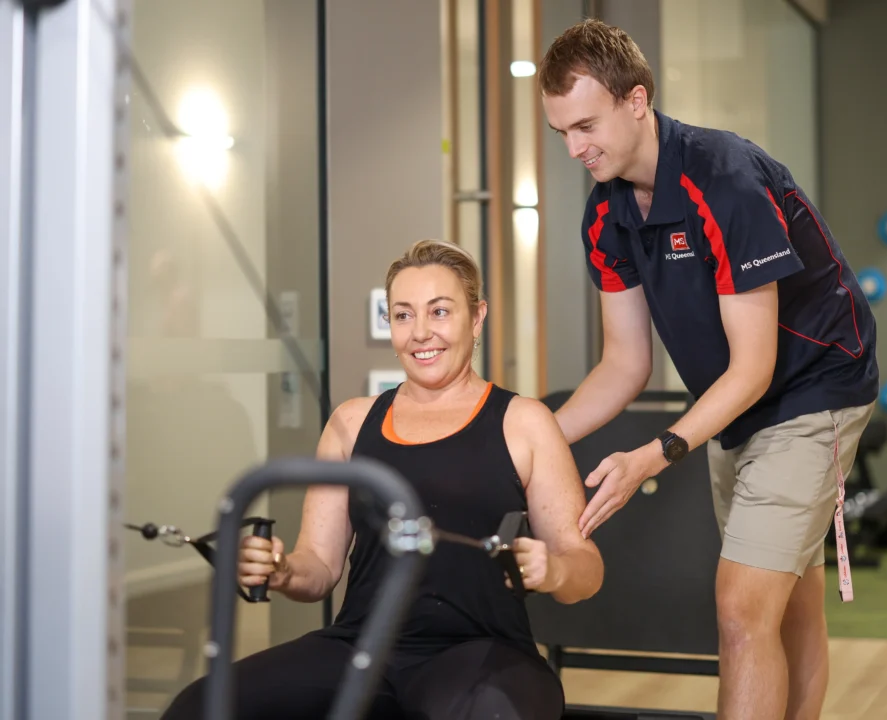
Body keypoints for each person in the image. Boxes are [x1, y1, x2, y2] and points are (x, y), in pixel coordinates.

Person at [538, 19, 878, 720]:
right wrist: (527, 435)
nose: (575, 148)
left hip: (816, 387)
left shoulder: (723, 179)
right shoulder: (604, 216)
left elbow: (754, 367)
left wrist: (654, 454)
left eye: (585, 125)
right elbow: (624, 364)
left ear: (637, 100)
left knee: (738, 608)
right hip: (737, 406)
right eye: (561, 133)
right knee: (786, 602)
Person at [161, 239, 604, 720]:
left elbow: (586, 566)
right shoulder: (351, 423)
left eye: (439, 312)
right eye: (403, 315)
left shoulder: (525, 421)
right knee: (199, 707)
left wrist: (554, 570)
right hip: (359, 644)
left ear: (476, 318)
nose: (420, 333)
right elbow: (320, 568)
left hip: (482, 650)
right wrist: (283, 570)